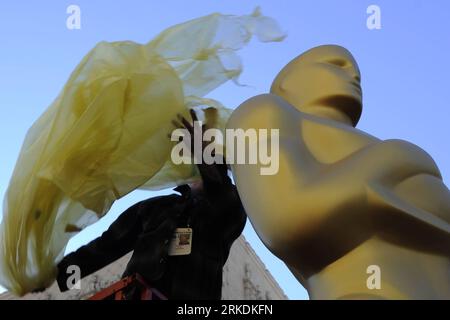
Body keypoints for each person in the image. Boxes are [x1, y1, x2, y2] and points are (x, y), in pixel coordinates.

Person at [227, 45, 450, 299]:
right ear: (286, 82)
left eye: (356, 72)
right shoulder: (263, 112)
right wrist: (398, 155)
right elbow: (290, 217)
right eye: (337, 64)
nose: (353, 76)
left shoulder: (369, 146)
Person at [56, 110, 247, 300]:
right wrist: (58, 274)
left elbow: (220, 192)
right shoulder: (156, 207)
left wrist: (203, 155)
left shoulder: (233, 208)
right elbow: (108, 245)